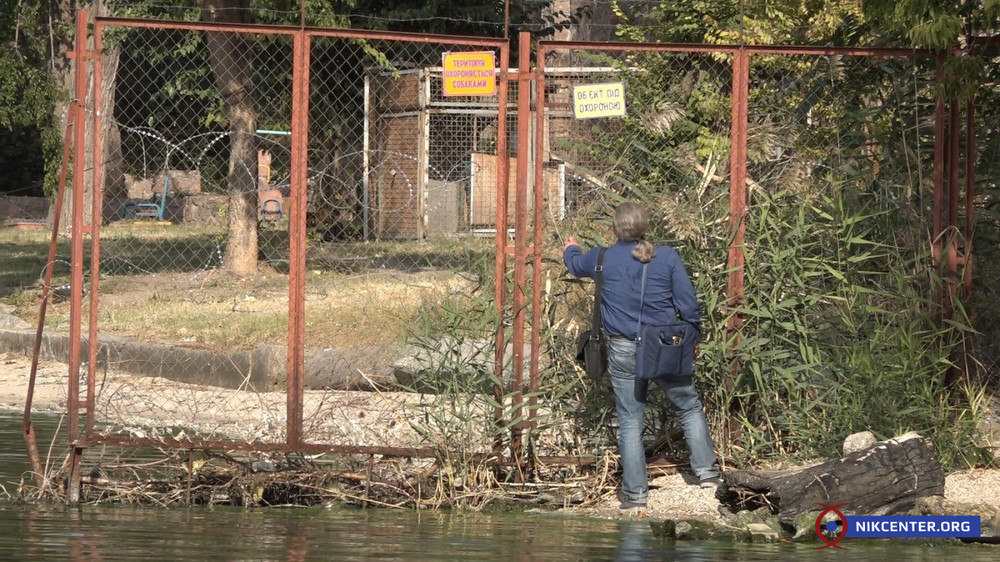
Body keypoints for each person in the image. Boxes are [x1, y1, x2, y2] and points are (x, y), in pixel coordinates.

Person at [563, 201, 720, 512]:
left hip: (622, 348)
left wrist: (570, 247)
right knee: (688, 407)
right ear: (645, 226)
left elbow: (574, 264)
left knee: (630, 421)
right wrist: (693, 337)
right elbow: (688, 305)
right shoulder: (668, 257)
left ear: (615, 229)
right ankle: (708, 477)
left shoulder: (602, 257)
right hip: (664, 345)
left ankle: (635, 498)